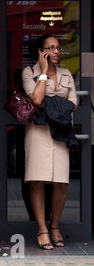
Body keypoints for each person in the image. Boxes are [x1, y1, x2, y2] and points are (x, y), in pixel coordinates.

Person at [21, 34, 78, 250]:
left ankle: (54, 226)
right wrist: (43, 74)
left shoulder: (66, 74)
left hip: (61, 131)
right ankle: (42, 229)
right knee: (38, 180)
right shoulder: (30, 72)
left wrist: (48, 104)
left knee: (61, 182)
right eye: (51, 48)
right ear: (41, 52)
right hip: (38, 132)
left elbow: (73, 104)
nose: (56, 52)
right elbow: (35, 99)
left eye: (58, 48)